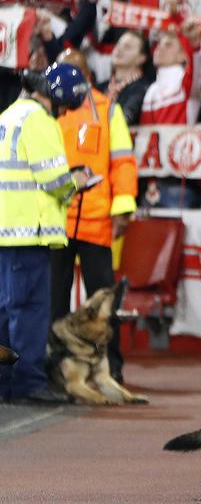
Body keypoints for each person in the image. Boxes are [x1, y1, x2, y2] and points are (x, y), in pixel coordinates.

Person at [0, 64, 91, 405]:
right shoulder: (39, 121)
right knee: (29, 312)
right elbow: (53, 181)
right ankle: (27, 384)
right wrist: (77, 181)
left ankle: (7, 383)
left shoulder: (8, 116)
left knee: (7, 312)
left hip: (5, 231)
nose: (65, 112)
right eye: (66, 106)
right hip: (29, 234)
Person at [49, 49, 138, 383]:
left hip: (96, 220)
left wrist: (123, 210)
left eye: (75, 69)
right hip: (56, 222)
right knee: (53, 301)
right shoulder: (47, 110)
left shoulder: (106, 109)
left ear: (86, 75)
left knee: (103, 303)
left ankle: (110, 366)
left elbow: (123, 162)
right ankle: (56, 365)